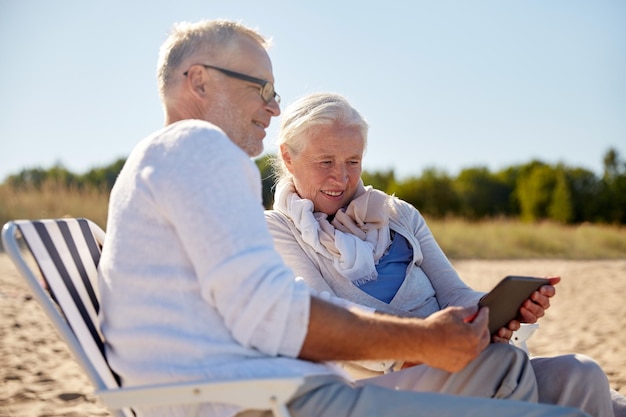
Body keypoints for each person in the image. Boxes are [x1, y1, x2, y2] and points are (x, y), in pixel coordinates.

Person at [98, 19, 589, 417]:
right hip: (269, 401)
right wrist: (425, 340)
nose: (273, 107)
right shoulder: (199, 148)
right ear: (199, 80)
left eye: (275, 91)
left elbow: (259, 308)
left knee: (582, 382)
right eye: (261, 88)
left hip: (264, 393)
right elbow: (277, 315)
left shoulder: (155, 165)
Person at [265, 92, 626, 417]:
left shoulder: (398, 214)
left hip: (456, 360)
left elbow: (455, 294)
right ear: (288, 157)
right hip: (371, 389)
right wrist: (423, 344)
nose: (341, 177)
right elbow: (320, 320)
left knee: (581, 373)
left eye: (353, 161)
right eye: (325, 162)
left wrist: (497, 311)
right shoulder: (275, 229)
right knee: (502, 363)